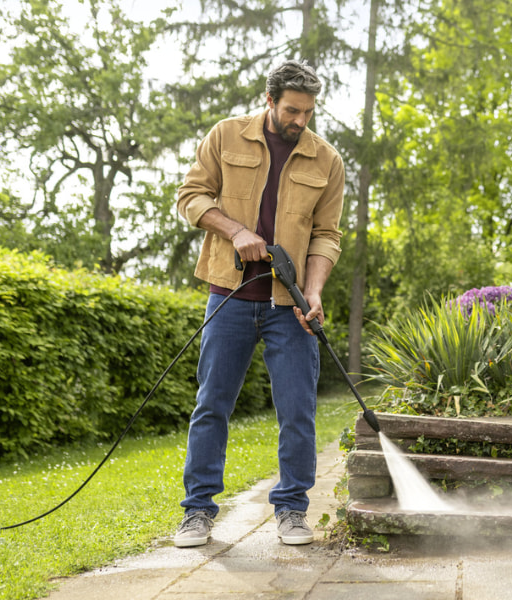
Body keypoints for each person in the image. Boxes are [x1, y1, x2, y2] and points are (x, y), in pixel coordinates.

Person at [172, 60, 345, 547]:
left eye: (309, 112)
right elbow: (190, 196)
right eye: (292, 110)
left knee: (297, 411)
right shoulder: (226, 136)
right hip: (228, 297)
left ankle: (292, 510)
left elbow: (327, 235)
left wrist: (312, 290)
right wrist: (236, 230)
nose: (300, 121)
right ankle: (198, 511)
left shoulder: (326, 160)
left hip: (288, 306)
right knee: (212, 405)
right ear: (269, 101)